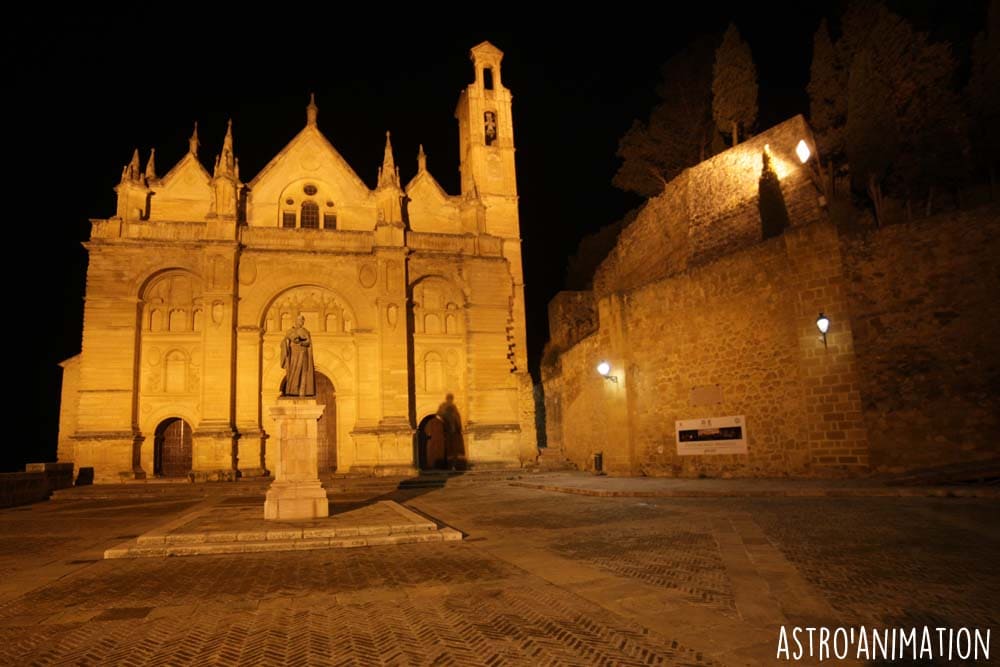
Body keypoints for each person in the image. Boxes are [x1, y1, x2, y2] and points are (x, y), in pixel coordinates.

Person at [281, 315, 315, 396]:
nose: (301, 322)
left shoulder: (306, 331)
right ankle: (292, 391)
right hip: (294, 354)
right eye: (300, 320)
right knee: (293, 371)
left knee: (304, 372)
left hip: (303, 353)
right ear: (296, 321)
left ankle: (302, 392)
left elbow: (308, 342)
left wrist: (302, 342)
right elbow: (285, 341)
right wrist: (289, 341)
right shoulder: (290, 331)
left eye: (303, 321)